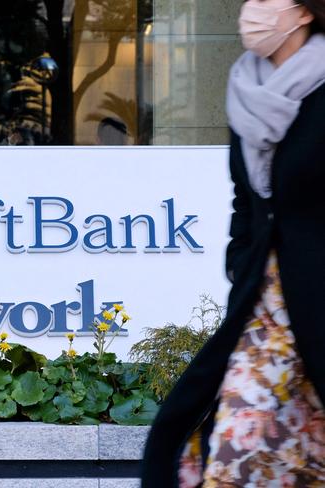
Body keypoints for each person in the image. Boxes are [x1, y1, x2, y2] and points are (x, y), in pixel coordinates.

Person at [140, 0, 325, 486]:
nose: (252, 11)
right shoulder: (246, 87)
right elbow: (245, 200)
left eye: (268, 0)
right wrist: (240, 259)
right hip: (264, 304)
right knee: (240, 441)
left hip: (319, 296)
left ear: (304, 12)